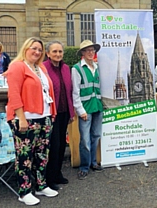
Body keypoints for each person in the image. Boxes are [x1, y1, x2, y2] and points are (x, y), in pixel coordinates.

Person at [6, 37, 58, 206]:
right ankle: (24, 190)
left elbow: (47, 91)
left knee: (42, 154)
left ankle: (41, 185)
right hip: (26, 118)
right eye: (33, 48)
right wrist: (21, 117)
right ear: (26, 48)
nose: (37, 52)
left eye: (39, 50)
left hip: (44, 116)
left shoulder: (40, 67)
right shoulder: (17, 66)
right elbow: (14, 94)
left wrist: (52, 114)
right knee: (25, 156)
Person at [43, 40, 75, 190]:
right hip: (51, 113)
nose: (58, 54)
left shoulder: (66, 68)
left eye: (60, 51)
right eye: (54, 51)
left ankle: (58, 173)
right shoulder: (43, 68)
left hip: (64, 112)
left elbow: (69, 91)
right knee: (53, 145)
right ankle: (49, 178)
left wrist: (72, 112)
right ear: (48, 53)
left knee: (62, 144)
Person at [71, 40, 103, 180]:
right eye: (87, 50)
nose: (91, 53)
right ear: (82, 53)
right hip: (86, 108)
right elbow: (75, 92)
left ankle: (93, 162)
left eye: (92, 50)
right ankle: (84, 166)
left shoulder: (97, 67)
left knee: (95, 136)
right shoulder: (76, 69)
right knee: (84, 139)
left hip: (97, 107)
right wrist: (80, 110)